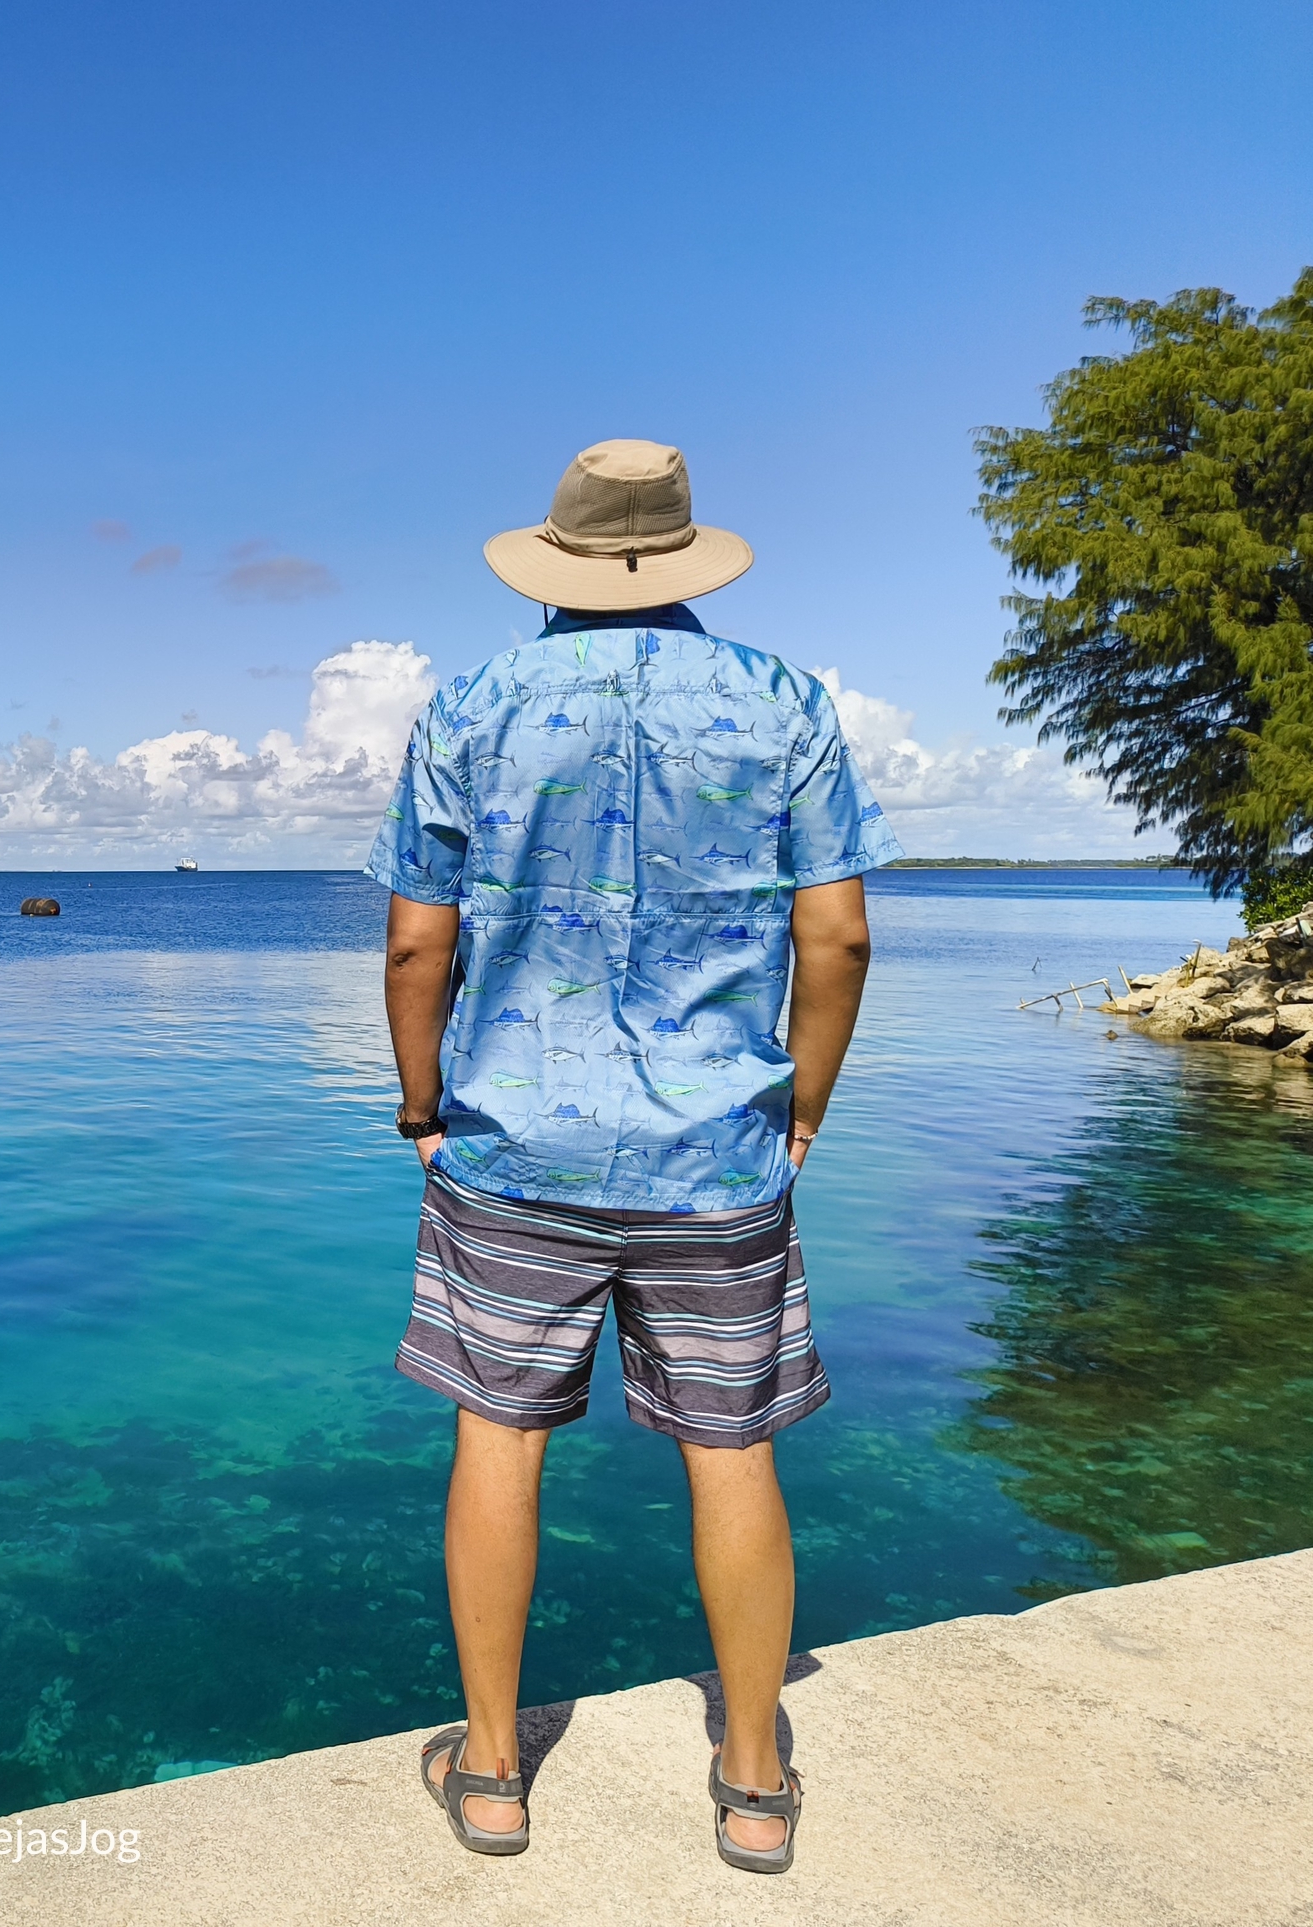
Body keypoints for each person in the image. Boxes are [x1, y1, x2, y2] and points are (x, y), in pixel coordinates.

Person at [367, 439, 899, 1875]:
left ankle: (488, 1774)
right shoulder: (784, 704)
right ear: (680, 560)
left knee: (500, 1438)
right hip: (717, 1157)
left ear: (555, 561)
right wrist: (805, 1106)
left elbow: (422, 940)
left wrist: (423, 1105)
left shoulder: (472, 706)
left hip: (513, 1148)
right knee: (732, 1453)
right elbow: (836, 934)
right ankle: (749, 1780)